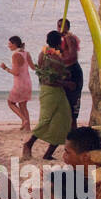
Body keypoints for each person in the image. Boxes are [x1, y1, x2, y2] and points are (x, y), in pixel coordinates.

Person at [23, 31, 73, 160]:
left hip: (57, 91)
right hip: (50, 91)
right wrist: (66, 83)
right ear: (59, 42)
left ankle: (48, 154)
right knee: (45, 120)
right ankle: (28, 144)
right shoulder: (52, 56)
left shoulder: (44, 54)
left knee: (64, 120)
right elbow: (48, 78)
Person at [1, 35, 35, 133]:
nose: (8, 46)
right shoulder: (26, 53)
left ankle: (23, 120)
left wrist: (5, 68)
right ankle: (28, 129)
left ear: (15, 44)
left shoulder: (15, 55)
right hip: (28, 82)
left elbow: (16, 72)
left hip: (19, 83)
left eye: (9, 44)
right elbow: (33, 67)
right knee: (23, 105)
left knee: (10, 102)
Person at [58, 18, 84, 124]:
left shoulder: (69, 38)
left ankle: (72, 134)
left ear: (67, 27)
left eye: (62, 26)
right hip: (68, 71)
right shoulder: (63, 38)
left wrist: (58, 61)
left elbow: (73, 56)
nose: (59, 28)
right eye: (58, 26)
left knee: (72, 105)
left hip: (73, 72)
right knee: (66, 104)